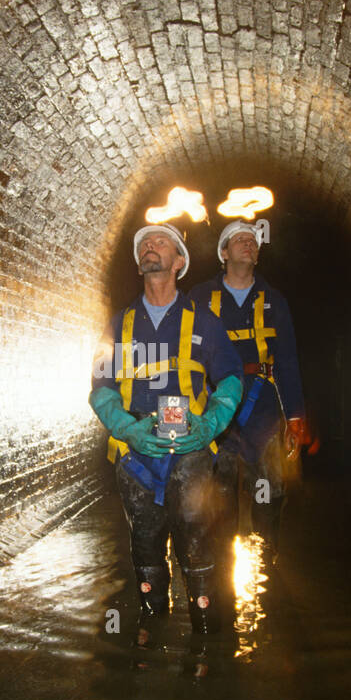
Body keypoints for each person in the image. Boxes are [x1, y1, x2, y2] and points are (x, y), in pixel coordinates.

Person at [89, 223, 243, 634]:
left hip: (189, 449)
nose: (149, 247)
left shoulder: (204, 322)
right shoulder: (118, 325)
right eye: (144, 243)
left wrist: (211, 422)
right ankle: (151, 629)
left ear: (178, 262)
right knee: (145, 544)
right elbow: (101, 388)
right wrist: (126, 428)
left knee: (195, 541)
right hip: (136, 452)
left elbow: (230, 377)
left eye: (160, 243)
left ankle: (207, 639)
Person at [188, 220, 313, 554]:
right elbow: (184, 356)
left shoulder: (275, 301)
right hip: (216, 412)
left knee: (268, 492)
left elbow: (286, 360)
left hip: (265, 411)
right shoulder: (199, 298)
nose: (249, 244)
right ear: (224, 253)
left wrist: (296, 416)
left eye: (253, 241)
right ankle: (222, 568)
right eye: (239, 240)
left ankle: (266, 559)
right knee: (220, 495)